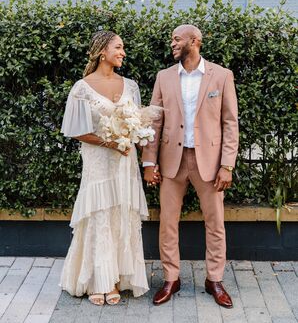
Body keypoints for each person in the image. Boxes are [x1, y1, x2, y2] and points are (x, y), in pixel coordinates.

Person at [142, 24, 239, 308]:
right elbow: (154, 121)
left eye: (176, 39)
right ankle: (171, 278)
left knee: (215, 223)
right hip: (172, 160)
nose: (172, 43)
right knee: (167, 223)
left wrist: (227, 166)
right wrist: (149, 161)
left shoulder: (221, 76)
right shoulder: (164, 77)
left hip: (208, 162)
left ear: (194, 41)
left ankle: (214, 279)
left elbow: (230, 123)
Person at [59, 29, 149, 306]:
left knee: (122, 216)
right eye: (118, 47)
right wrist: (111, 143)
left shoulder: (131, 85)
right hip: (99, 160)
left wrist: (134, 137)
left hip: (125, 162)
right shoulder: (82, 87)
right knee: (100, 215)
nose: (123, 52)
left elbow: (138, 121)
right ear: (102, 52)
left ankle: (118, 280)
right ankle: (99, 280)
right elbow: (74, 130)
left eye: (123, 48)